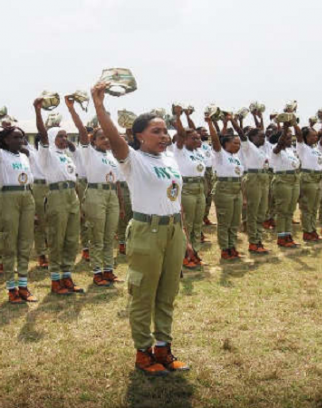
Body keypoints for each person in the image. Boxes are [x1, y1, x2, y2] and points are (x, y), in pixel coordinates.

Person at [92, 81, 189, 376]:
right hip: (147, 232)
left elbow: (175, 198)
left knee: (167, 293)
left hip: (173, 231)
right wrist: (99, 106)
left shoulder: (170, 159)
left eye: (165, 130)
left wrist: (184, 236)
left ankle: (163, 348)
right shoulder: (132, 159)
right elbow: (112, 136)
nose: (164, 136)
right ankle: (143, 352)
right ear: (138, 136)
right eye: (156, 131)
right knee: (143, 294)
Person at [68, 97, 123, 286]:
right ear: (94, 141)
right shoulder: (89, 152)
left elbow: (116, 182)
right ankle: (97, 272)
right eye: (102, 137)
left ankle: (109, 270)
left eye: (108, 137)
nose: (106, 140)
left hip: (111, 195)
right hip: (95, 194)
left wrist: (121, 203)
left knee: (109, 236)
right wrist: (72, 109)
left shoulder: (112, 156)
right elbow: (82, 131)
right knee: (97, 235)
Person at [33, 97, 84, 296]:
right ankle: (55, 279)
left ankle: (67, 275)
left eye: (65, 136)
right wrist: (38, 112)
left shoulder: (66, 155)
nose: (64, 139)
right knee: (57, 237)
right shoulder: (47, 153)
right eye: (60, 136)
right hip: (56, 195)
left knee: (72, 237)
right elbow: (43, 136)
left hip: (72, 194)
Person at [0, 123, 39, 304]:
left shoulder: (24, 156)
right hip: (8, 196)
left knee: (25, 243)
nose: (20, 140)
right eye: (15, 137)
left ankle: (23, 286)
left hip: (27, 196)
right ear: (6, 140)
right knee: (9, 243)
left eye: (21, 137)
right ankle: (11, 288)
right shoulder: (0, 155)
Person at [171, 106, 207, 267]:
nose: (198, 141)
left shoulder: (198, 152)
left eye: (199, 138)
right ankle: (185, 254)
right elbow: (180, 134)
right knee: (187, 223)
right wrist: (178, 116)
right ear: (185, 139)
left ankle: (195, 251)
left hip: (200, 188)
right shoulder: (179, 150)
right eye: (194, 138)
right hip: (186, 189)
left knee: (198, 223)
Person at [230, 115, 270, 253]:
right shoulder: (248, 146)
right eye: (260, 136)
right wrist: (232, 120)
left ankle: (258, 238)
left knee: (262, 210)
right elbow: (241, 133)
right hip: (253, 177)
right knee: (253, 211)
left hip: (263, 177)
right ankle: (254, 241)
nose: (263, 139)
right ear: (252, 138)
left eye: (264, 136)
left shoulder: (261, 149)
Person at [207, 113, 244, 259]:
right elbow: (216, 139)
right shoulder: (220, 154)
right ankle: (224, 248)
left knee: (235, 221)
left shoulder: (236, 158)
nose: (238, 146)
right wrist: (210, 123)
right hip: (224, 188)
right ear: (226, 144)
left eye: (239, 144)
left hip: (236, 189)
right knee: (225, 221)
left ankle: (232, 246)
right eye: (235, 143)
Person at [294, 115, 322, 241]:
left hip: (318, 178)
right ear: (306, 137)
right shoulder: (302, 147)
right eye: (312, 135)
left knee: (314, 207)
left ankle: (312, 229)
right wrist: (293, 121)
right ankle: (307, 231)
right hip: (308, 177)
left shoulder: (316, 149)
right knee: (307, 206)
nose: (315, 137)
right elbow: (298, 134)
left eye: (315, 135)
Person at [270, 121, 301, 247]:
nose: (290, 140)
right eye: (287, 138)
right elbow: (280, 142)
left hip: (294, 178)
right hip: (282, 179)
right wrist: (286, 128)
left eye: (290, 138)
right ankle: (281, 236)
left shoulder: (290, 150)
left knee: (290, 210)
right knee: (282, 210)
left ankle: (288, 235)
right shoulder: (276, 150)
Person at [26, 133, 49, 269]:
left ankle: (52, 251)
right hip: (38, 186)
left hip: (52, 186)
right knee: (40, 222)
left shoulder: (53, 154)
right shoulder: (32, 153)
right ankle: (41, 254)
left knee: (52, 221)